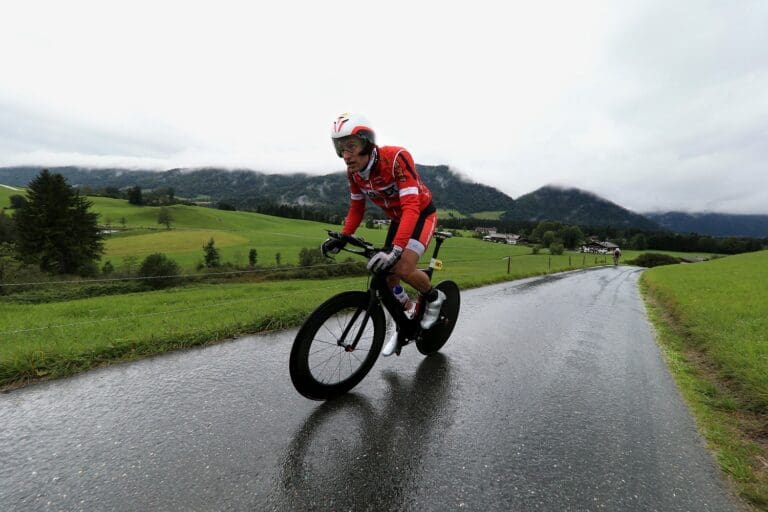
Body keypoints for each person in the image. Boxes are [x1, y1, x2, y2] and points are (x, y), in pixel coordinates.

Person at [321, 113, 445, 356]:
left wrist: (397, 250)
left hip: (420, 215)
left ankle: (433, 297)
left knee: (401, 268)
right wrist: (344, 236)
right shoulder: (354, 173)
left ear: (366, 143)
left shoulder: (396, 158)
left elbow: (411, 206)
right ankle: (404, 319)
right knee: (387, 278)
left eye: (351, 147)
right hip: (399, 220)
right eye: (340, 148)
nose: (345, 155)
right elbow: (357, 208)